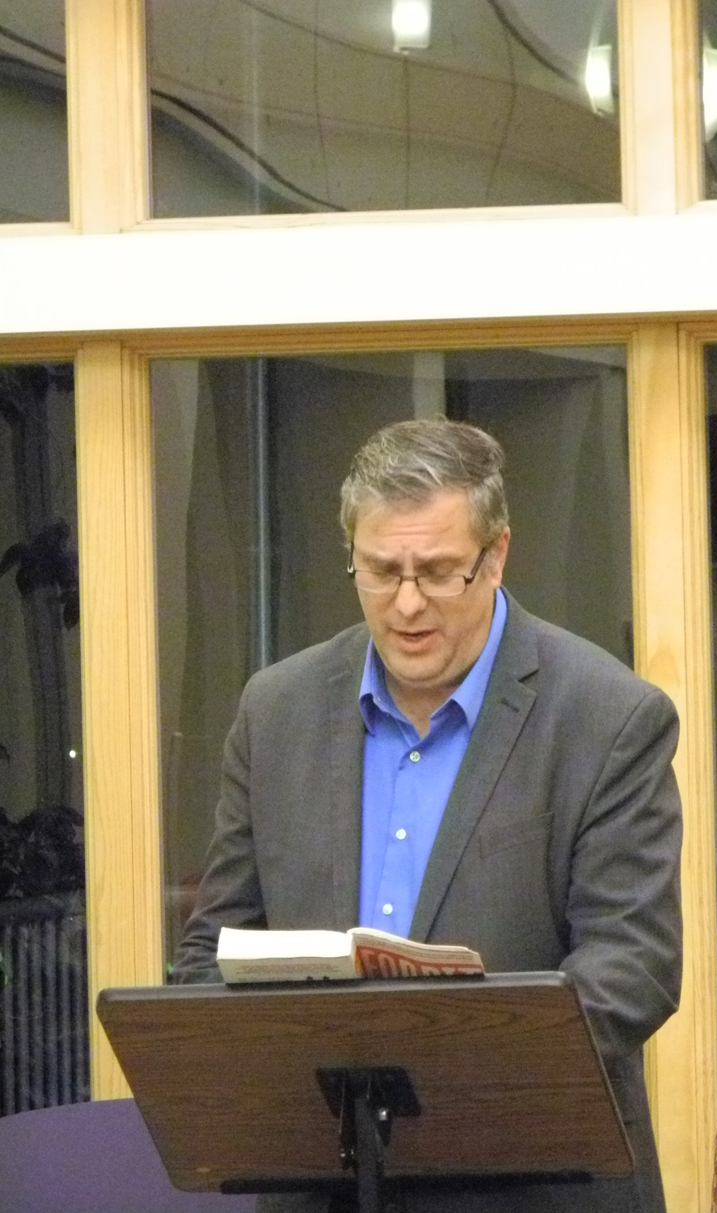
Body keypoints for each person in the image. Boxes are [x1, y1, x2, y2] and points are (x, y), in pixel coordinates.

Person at [173, 418, 683, 1213]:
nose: (407, 603)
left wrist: (435, 1070)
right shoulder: (275, 711)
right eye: (381, 571)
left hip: (533, 1187)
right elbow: (213, 948)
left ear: (497, 555)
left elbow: (634, 964)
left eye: (439, 571)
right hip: (322, 1183)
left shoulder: (609, 715)